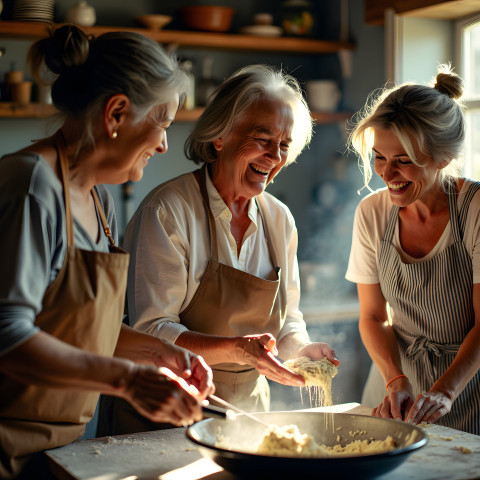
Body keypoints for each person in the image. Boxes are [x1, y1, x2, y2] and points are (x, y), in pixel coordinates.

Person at [0, 25, 214, 478]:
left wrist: (162, 356)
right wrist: (130, 380)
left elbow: (87, 331)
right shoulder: (30, 187)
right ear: (116, 113)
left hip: (66, 453)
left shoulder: (99, 201)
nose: (163, 144)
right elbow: (8, 337)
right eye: (162, 124)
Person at [100, 64, 340, 435]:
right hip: (164, 410)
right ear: (221, 137)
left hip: (246, 416)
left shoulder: (279, 220)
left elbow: (288, 321)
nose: (275, 157)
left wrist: (301, 350)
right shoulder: (167, 211)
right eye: (262, 139)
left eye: (284, 146)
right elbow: (152, 329)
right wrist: (238, 349)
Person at [346, 64, 480, 435]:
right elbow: (373, 317)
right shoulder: (372, 213)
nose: (387, 174)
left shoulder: (475, 210)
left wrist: (444, 391)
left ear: (443, 158)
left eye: (403, 161)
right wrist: (395, 380)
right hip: (393, 392)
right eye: (379, 157)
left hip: (469, 390)